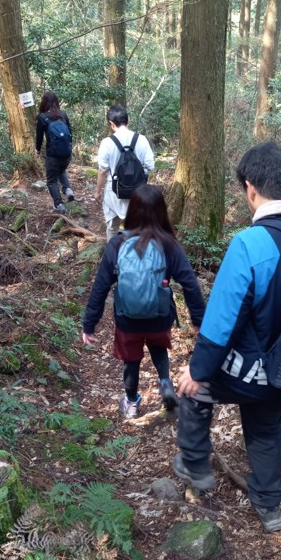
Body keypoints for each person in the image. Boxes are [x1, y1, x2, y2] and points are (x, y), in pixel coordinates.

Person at [173, 142, 281, 534]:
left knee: (192, 389)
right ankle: (270, 509)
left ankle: (195, 464)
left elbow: (221, 322)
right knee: (266, 435)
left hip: (247, 372)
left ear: (251, 188)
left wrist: (198, 371)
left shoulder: (250, 244)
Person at [82, 184, 205, 419]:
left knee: (131, 359)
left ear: (132, 210)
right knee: (157, 345)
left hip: (127, 319)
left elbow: (100, 287)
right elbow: (190, 283)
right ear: (162, 212)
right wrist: (199, 320)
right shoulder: (169, 245)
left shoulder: (117, 244)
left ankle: (131, 403)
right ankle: (165, 383)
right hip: (160, 316)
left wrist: (89, 324)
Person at [95, 104, 155, 241]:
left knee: (112, 227)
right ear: (128, 120)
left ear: (111, 123)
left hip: (114, 191)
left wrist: (98, 192)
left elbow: (102, 171)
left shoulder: (106, 143)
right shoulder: (141, 139)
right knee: (137, 227)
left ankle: (113, 256)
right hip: (138, 192)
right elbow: (150, 166)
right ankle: (137, 255)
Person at [36, 91, 75, 214]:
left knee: (52, 181)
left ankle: (58, 205)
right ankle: (68, 190)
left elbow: (39, 137)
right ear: (56, 102)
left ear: (44, 103)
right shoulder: (63, 115)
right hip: (66, 154)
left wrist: (37, 150)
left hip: (53, 155)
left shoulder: (43, 117)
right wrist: (69, 148)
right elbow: (70, 133)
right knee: (61, 170)